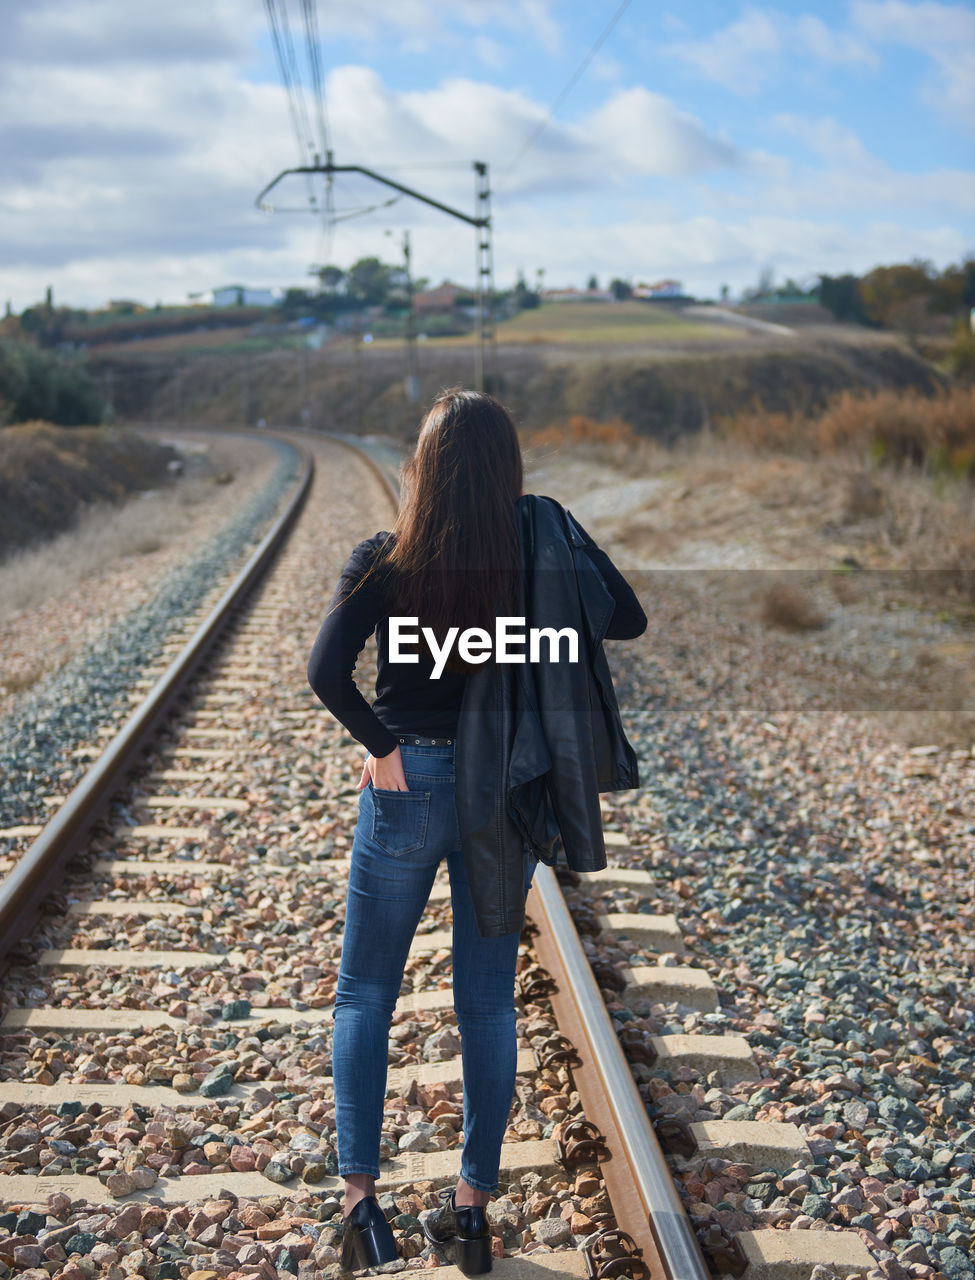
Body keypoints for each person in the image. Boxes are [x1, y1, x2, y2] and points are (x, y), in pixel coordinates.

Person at [307, 388, 647, 1275]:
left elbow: (325, 671)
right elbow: (626, 616)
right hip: (500, 787)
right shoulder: (534, 546)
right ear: (507, 469)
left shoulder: (386, 558)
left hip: (407, 783)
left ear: (422, 469)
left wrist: (381, 747)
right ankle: (469, 1213)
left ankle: (361, 1208)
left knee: (364, 994)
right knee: (486, 1000)